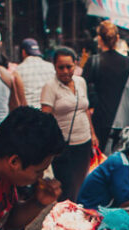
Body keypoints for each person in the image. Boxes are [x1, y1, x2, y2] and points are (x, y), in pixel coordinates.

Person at [41, 47, 96, 201]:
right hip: (64, 146)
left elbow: (85, 110)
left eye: (69, 67)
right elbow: (46, 117)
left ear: (75, 65)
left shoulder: (81, 82)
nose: (65, 71)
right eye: (61, 67)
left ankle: (76, 216)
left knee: (80, 185)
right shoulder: (50, 87)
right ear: (54, 66)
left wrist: (92, 134)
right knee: (67, 190)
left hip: (84, 142)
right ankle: (66, 219)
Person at [83, 21, 129, 152]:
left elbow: (82, 89)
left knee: (104, 162)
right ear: (117, 39)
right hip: (126, 120)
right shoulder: (128, 63)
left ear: (99, 39)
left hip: (102, 120)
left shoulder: (94, 61)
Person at [15, 38, 54, 108]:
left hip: (29, 112)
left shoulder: (18, 70)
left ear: (23, 52)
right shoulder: (51, 67)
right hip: (47, 110)